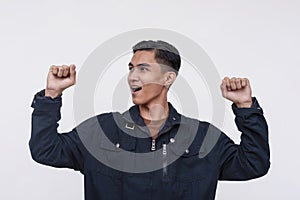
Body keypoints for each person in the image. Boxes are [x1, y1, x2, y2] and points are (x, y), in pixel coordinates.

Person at [29, 40, 270, 200]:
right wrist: (52, 95)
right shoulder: (102, 130)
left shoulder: (202, 137)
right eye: (131, 68)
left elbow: (254, 164)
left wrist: (245, 107)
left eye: (143, 69)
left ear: (168, 78)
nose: (132, 77)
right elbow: (45, 150)